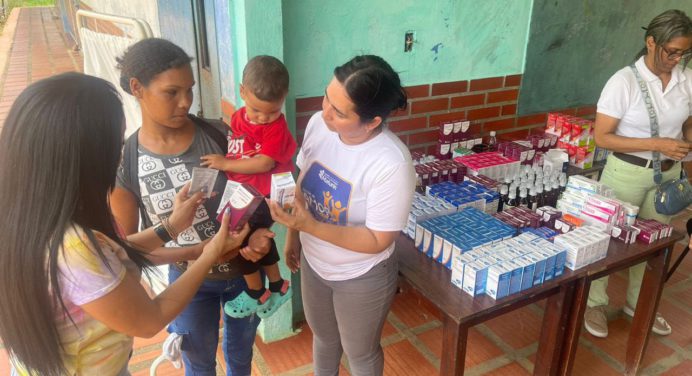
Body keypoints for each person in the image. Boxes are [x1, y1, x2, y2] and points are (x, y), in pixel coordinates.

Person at [0, 73, 249, 376]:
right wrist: (210, 253)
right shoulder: (72, 245)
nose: (118, 159)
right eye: (114, 147)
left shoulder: (29, 212)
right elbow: (148, 319)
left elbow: (114, 252)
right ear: (83, 158)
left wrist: (173, 230)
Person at [110, 38, 274, 375]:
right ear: (137, 88)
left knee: (241, 356)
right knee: (198, 363)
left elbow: (260, 192)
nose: (185, 102)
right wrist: (186, 238)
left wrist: (260, 237)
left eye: (190, 90)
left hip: (244, 273)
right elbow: (125, 248)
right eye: (172, 92)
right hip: (186, 284)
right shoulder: (127, 162)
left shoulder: (218, 135)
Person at [267, 55, 416, 375]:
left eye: (339, 112)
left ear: (372, 121)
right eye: (326, 97)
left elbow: (378, 239)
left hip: (361, 275)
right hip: (315, 263)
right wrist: (295, 235)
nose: (324, 113)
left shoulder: (391, 163)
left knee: (360, 353)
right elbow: (303, 181)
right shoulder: (320, 125)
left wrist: (310, 226)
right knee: (323, 338)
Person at [584, 9, 692, 339]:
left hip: (668, 176)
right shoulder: (624, 81)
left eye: (684, 52)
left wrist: (687, 144)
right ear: (651, 42)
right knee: (609, 239)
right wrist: (657, 143)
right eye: (671, 51)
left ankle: (638, 303)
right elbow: (602, 137)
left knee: (654, 244)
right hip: (626, 172)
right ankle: (595, 303)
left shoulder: (686, 79)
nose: (677, 59)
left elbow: (686, 123)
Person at [201, 55, 297, 319]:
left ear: (284, 97)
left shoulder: (276, 127)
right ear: (242, 92)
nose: (264, 118)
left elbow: (264, 164)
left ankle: (257, 293)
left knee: (237, 238)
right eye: (257, 110)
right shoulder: (240, 117)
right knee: (257, 238)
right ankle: (277, 285)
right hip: (246, 191)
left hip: (264, 194)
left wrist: (224, 164)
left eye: (272, 111)